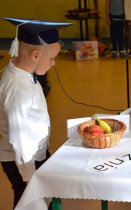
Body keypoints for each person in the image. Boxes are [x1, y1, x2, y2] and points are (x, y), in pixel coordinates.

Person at [0, 17, 72, 209]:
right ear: (35, 56)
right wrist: (29, 176)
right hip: (22, 161)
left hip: (33, 154)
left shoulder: (23, 72)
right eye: (51, 58)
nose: (53, 64)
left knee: (34, 199)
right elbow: (20, 137)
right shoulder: (18, 90)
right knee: (28, 200)